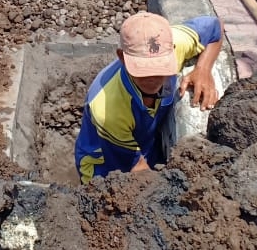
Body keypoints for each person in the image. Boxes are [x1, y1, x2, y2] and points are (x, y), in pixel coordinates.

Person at [75, 10, 223, 184]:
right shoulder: (108, 109)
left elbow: (215, 28)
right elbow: (137, 169)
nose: (153, 78)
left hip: (146, 142)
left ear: (172, 51)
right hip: (104, 163)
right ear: (122, 57)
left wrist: (203, 69)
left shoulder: (174, 46)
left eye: (160, 67)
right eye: (143, 70)